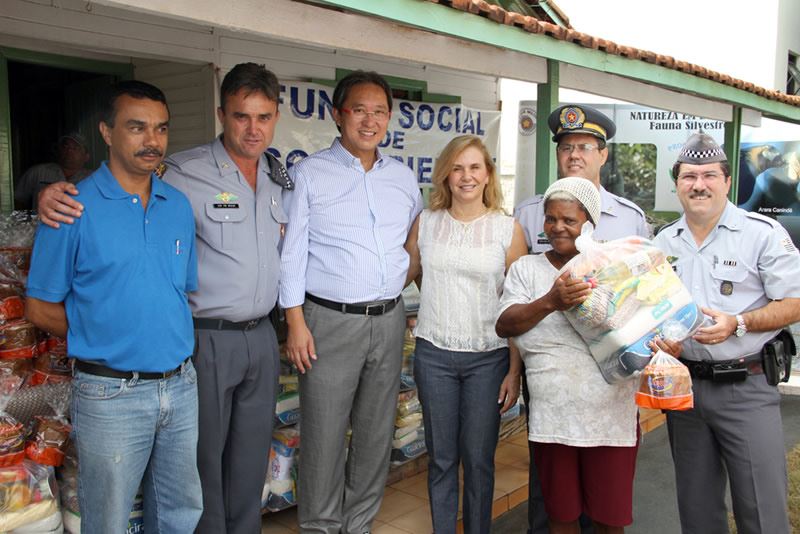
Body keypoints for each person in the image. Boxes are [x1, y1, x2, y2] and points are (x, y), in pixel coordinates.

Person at [36, 63, 290, 534]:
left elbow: (176, 278)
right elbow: (116, 191)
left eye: (264, 116)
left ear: (276, 117)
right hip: (188, 348)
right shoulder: (179, 176)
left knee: (212, 482)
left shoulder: (278, 178)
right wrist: (47, 196)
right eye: (240, 116)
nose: (253, 128)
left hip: (232, 350)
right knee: (181, 482)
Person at [25, 80, 202, 533]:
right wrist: (100, 335)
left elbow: (179, 291)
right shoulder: (71, 208)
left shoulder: (177, 206)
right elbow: (39, 309)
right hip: (110, 394)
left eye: (161, 129)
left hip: (180, 387)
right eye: (137, 127)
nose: (152, 141)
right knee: (108, 519)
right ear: (106, 132)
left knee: (181, 511)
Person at [280, 70, 423, 534]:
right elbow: (292, 252)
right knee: (323, 432)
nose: (369, 120)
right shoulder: (309, 174)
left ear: (389, 117)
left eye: (379, 111)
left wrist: (400, 283)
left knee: (375, 431)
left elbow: (414, 243)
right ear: (338, 115)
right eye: (359, 110)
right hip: (328, 321)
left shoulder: (402, 179)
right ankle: (320, 526)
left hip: (387, 318)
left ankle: (358, 524)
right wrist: (296, 322)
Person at [513, 104, 650, 534]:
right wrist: (514, 370)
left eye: (584, 146)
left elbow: (647, 296)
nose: (574, 154)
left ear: (603, 154)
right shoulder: (529, 211)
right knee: (553, 498)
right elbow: (514, 301)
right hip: (551, 384)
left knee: (606, 506)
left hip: (611, 390)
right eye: (566, 146)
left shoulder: (629, 217)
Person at [653, 132, 800, 533]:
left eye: (708, 175)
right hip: (686, 393)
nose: (698, 185)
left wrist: (740, 322)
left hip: (746, 387)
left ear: (727, 181)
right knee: (697, 512)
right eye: (688, 177)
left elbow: (795, 302)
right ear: (677, 183)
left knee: (762, 510)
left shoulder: (762, 233)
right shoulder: (663, 242)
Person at [403, 135, 527, 534]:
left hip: (487, 360)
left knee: (477, 459)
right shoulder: (426, 223)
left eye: (475, 167)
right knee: (441, 458)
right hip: (433, 355)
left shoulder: (507, 230)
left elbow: (517, 308)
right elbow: (412, 274)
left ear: (488, 174)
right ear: (445, 175)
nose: (466, 176)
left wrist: (513, 371)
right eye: (457, 168)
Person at [14, 132, 91, 211]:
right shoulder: (38, 172)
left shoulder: (92, 178)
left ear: (86, 157)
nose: (69, 150)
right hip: (41, 222)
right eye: (65, 146)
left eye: (75, 148)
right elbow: (18, 200)